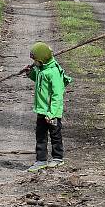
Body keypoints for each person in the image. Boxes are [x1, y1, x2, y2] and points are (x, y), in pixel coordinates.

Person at [24, 41, 72, 172]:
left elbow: (57, 95)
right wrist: (30, 74)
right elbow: (38, 80)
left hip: (52, 112)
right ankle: (41, 160)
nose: (34, 63)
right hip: (41, 110)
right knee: (40, 135)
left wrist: (51, 113)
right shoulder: (41, 69)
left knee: (55, 135)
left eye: (35, 60)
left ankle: (57, 158)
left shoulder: (53, 72)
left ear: (42, 59)